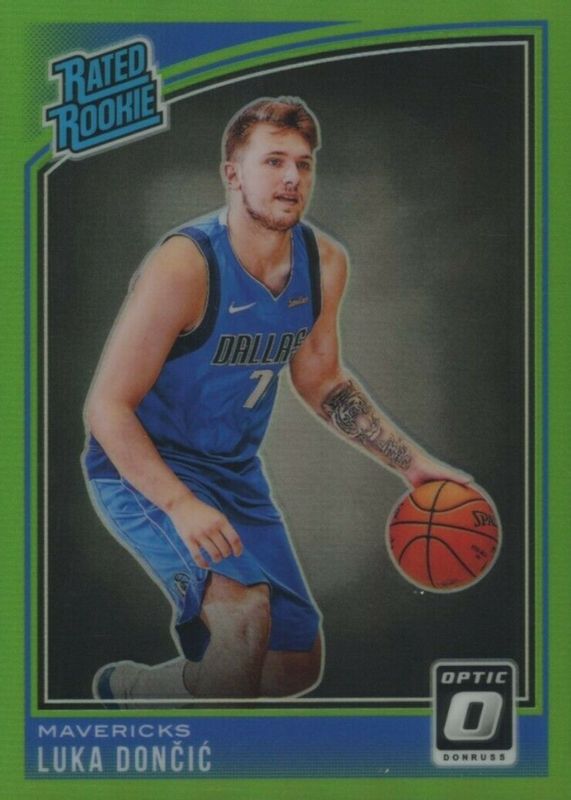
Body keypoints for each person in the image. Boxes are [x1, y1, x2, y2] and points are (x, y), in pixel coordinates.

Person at [83, 96, 470, 705]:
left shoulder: (324, 263)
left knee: (294, 665)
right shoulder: (185, 265)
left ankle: (136, 689)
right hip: (145, 468)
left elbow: (322, 381)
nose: (292, 177)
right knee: (244, 622)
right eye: (273, 161)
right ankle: (205, 758)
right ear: (232, 173)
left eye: (303, 163)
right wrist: (181, 504)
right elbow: (106, 407)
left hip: (233, 472)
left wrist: (413, 465)